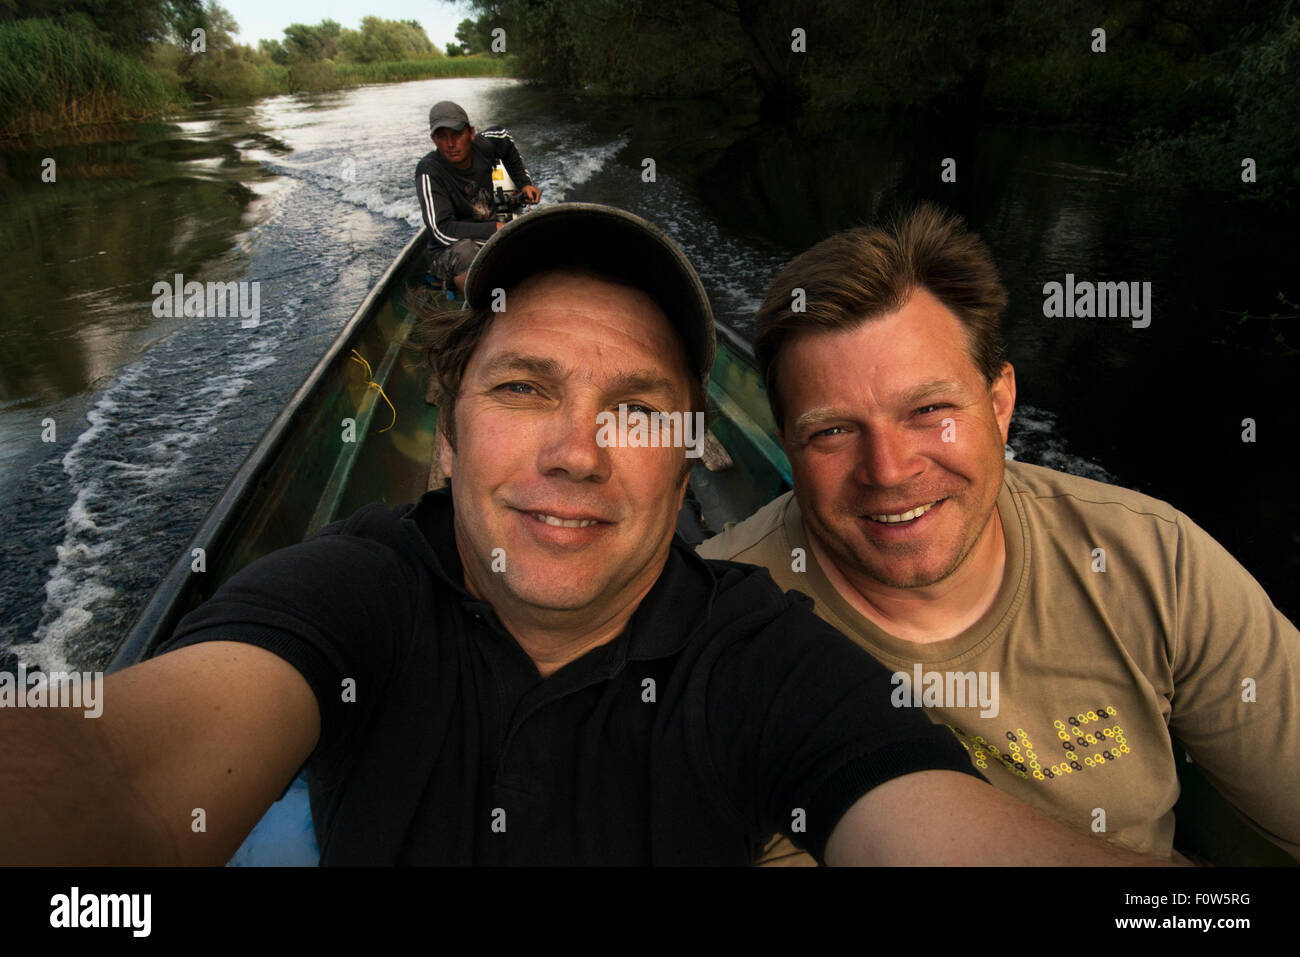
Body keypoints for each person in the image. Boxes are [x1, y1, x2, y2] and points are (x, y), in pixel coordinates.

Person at [0, 205, 1174, 867]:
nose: (578, 449)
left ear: (691, 450)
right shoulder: (353, 594)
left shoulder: (765, 660)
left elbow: (938, 833)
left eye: (635, 409)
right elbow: (113, 768)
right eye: (522, 388)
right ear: (446, 435)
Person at [697, 202, 1300, 865]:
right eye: (833, 430)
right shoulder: (711, 628)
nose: (890, 471)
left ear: (1000, 402)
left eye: (929, 409)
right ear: (787, 442)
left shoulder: (1154, 562)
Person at [415, 99, 542, 294]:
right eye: (442, 137)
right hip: (450, 251)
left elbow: (504, 137)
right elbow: (441, 230)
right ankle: (478, 314)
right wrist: (496, 229)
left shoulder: (485, 145)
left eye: (457, 134)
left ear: (471, 133)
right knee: (468, 253)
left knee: (535, 240)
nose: (450, 144)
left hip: (487, 228)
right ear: (434, 140)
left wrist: (524, 183)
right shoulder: (429, 171)